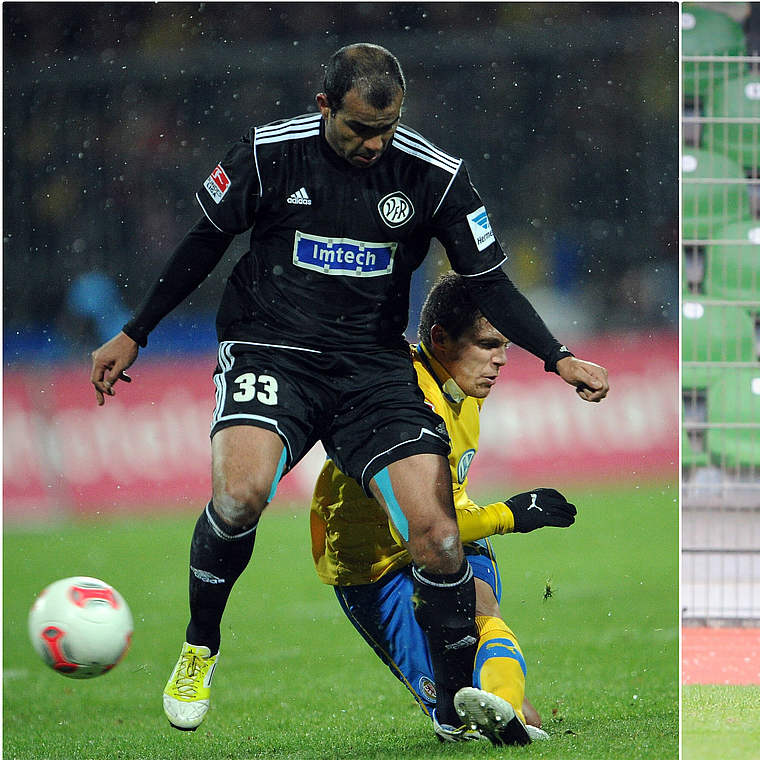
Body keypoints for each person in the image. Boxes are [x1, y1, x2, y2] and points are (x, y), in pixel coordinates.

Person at [88, 43, 609, 734]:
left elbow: (486, 281)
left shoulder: (434, 176)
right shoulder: (270, 154)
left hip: (370, 365)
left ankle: (455, 710)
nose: (373, 145)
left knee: (439, 539)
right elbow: (203, 242)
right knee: (239, 496)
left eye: (386, 130)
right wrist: (136, 331)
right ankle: (200, 644)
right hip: (273, 350)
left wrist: (557, 356)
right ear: (324, 104)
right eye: (359, 129)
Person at [311, 272, 572, 745]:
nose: (501, 360)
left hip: (448, 536)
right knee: (455, 715)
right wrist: (511, 514)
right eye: (488, 344)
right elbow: (423, 526)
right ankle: (481, 713)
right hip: (371, 562)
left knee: (486, 622)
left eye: (505, 346)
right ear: (439, 339)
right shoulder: (399, 398)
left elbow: (444, 519)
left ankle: (511, 712)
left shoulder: (462, 387)